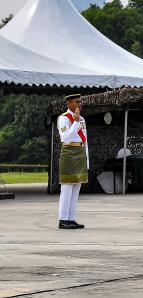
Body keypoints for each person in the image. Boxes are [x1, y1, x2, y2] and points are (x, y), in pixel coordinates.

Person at [56, 93, 88, 229]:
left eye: (80, 102)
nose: (79, 104)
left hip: (80, 153)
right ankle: (63, 219)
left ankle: (71, 218)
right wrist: (75, 122)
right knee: (67, 188)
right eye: (76, 102)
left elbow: (85, 141)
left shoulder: (82, 119)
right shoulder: (64, 118)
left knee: (76, 187)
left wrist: (87, 160)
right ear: (69, 104)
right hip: (69, 153)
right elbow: (66, 138)